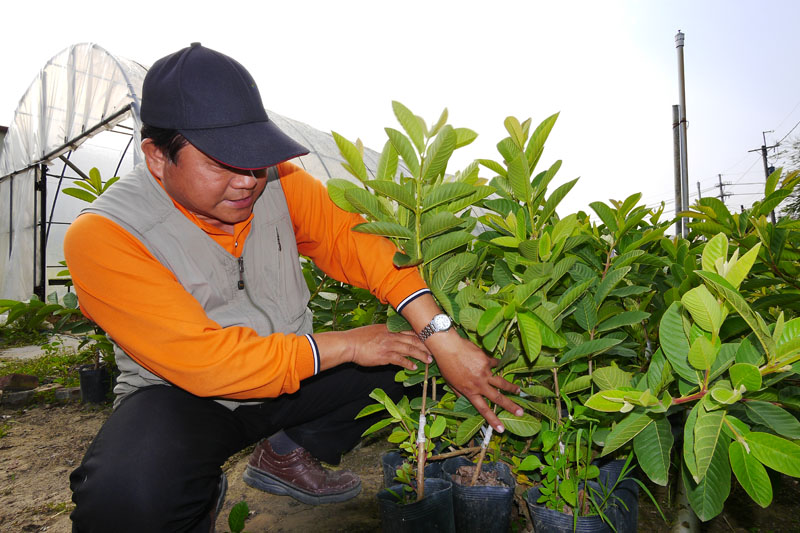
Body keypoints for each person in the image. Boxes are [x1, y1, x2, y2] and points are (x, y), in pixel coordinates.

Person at [65, 43, 522, 532]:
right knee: (124, 499)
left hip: (290, 378)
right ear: (157, 157)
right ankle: (191, 491)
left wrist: (441, 334)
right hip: (188, 400)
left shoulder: (280, 183)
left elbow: (363, 247)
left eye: (255, 161)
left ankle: (286, 452)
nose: (247, 182)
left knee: (410, 358)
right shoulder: (106, 234)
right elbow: (208, 365)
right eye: (222, 163)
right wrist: (347, 344)